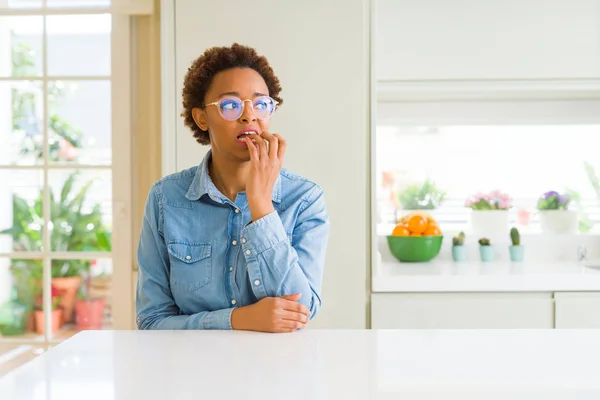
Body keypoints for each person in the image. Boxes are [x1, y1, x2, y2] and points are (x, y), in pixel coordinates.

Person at [135, 43, 330, 333]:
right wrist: (237, 320)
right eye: (231, 105)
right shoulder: (166, 199)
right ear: (202, 117)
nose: (249, 116)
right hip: (189, 372)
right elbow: (152, 321)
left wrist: (261, 206)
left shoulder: (304, 199)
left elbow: (301, 311)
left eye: (261, 103)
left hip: (277, 372)